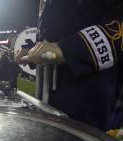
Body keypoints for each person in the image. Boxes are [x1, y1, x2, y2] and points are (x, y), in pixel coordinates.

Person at [15, 0, 123, 131]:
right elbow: (58, 26)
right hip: (48, 87)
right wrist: (34, 49)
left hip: (85, 89)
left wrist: (69, 49)